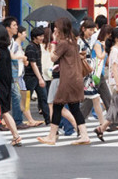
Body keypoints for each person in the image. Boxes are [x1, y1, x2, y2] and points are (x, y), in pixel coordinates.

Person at [37, 17, 91, 145]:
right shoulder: (72, 42)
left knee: (57, 105)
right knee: (74, 107)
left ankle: (52, 136)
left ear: (61, 28)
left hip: (68, 79)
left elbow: (53, 57)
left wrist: (54, 41)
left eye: (56, 26)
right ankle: (84, 135)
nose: (54, 29)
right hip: (75, 78)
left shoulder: (63, 43)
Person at [0, 25, 22, 146]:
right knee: (4, 112)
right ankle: (16, 136)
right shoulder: (6, 51)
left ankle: (15, 136)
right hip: (6, 84)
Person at [23, 26, 50, 125]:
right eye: (40, 36)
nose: (42, 38)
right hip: (31, 77)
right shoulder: (30, 47)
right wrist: (40, 78)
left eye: (43, 36)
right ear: (34, 37)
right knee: (26, 99)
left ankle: (48, 120)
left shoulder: (38, 46)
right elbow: (33, 64)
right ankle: (21, 119)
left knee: (43, 98)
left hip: (37, 76)